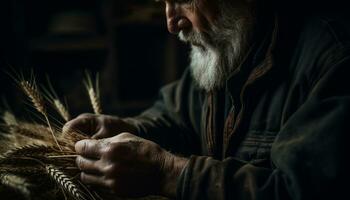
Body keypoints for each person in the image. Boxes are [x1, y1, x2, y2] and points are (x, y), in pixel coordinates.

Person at [63, 0, 350, 199]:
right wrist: (129, 128)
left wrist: (166, 172)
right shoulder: (230, 45)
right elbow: (177, 116)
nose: (171, 23)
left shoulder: (333, 60)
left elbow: (298, 191)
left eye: (184, 0)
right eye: (163, 2)